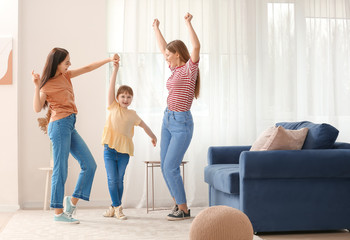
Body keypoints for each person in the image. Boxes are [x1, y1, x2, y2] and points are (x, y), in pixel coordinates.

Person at [32, 47, 118, 224]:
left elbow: (88, 68)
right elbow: (37, 108)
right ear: (57, 63)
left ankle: (71, 203)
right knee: (60, 169)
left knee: (90, 165)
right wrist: (36, 86)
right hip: (59, 126)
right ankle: (58, 213)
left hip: (69, 125)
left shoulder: (66, 76)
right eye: (67, 62)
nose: (70, 64)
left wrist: (108, 61)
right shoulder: (46, 84)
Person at [152, 12, 200, 221]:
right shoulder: (174, 69)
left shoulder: (190, 69)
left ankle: (184, 209)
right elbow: (163, 48)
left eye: (169, 55)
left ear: (178, 54)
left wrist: (188, 23)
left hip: (181, 123)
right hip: (167, 120)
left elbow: (196, 48)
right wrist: (156, 28)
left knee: (171, 166)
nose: (166, 57)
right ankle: (177, 205)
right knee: (165, 166)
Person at [101, 54, 157, 220]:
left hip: (124, 151)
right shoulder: (112, 107)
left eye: (128, 97)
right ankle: (118, 208)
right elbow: (111, 87)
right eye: (123, 96)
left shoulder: (132, 114)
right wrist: (115, 69)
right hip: (109, 148)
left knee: (119, 179)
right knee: (112, 179)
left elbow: (144, 125)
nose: (125, 99)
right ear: (117, 98)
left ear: (131, 99)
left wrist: (152, 136)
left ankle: (113, 207)